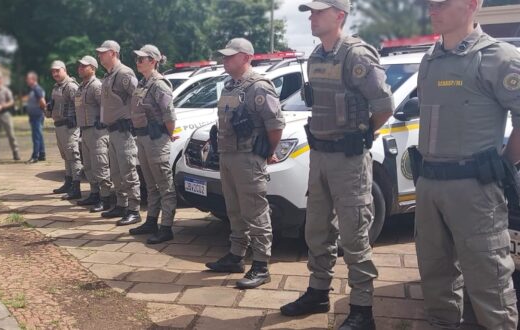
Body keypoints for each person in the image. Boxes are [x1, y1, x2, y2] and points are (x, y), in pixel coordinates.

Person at [280, 1, 394, 329]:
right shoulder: (315, 56)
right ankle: (318, 292)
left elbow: (384, 104)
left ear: (339, 16)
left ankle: (362, 309)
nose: (312, 18)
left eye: (318, 12)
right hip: (319, 157)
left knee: (354, 233)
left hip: (349, 159)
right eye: (310, 13)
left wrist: (362, 136)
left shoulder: (357, 55)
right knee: (316, 228)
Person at [412, 0, 520, 328]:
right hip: (430, 186)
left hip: (474, 190)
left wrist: (503, 164)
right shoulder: (429, 60)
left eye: (442, 3)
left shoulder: (498, 57)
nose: (433, 9)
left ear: (472, 4)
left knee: (490, 285)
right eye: (429, 3)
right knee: (435, 278)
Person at [203, 38, 285, 289]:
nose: (225, 60)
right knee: (234, 210)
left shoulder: (258, 87)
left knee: (255, 211)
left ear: (246, 57)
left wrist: (266, 153)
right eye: (224, 56)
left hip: (249, 158)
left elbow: (276, 126)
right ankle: (236, 256)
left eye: (230, 56)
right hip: (228, 156)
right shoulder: (229, 86)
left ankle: (261, 265)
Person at [126, 45, 178, 244]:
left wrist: (167, 135)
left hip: (156, 139)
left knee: (165, 185)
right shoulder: (143, 83)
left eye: (143, 59)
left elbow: (169, 115)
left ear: (154, 61)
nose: (138, 62)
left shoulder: (159, 84)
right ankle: (151, 221)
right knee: (150, 184)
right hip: (143, 138)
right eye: (137, 59)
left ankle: (166, 227)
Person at [96, 40, 141, 226]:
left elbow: (137, 97)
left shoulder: (124, 73)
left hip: (123, 131)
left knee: (128, 170)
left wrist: (134, 121)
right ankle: (122, 205)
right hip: (111, 130)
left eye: (103, 52)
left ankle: (134, 209)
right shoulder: (108, 75)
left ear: (113, 53)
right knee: (115, 172)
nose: (99, 56)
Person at [74, 55, 114, 212]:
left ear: (93, 68)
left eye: (84, 66)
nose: (80, 68)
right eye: (79, 66)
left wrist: (102, 120)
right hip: (84, 130)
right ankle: (94, 193)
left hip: (97, 131)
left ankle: (105, 198)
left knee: (100, 165)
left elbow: (105, 105)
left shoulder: (96, 86)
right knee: (89, 166)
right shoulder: (81, 86)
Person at [48, 60, 83, 199]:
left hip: (69, 126)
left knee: (73, 156)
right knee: (66, 156)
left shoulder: (71, 87)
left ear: (64, 70)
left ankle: (76, 186)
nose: (55, 74)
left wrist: (75, 120)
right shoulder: (56, 87)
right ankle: (68, 182)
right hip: (59, 124)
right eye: (53, 71)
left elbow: (80, 105)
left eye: (58, 70)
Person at [25, 71, 47, 164]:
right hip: (34, 116)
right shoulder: (34, 89)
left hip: (37, 116)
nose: (26, 80)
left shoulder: (37, 89)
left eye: (28, 79)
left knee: (36, 136)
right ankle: (42, 154)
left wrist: (41, 111)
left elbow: (43, 102)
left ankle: (35, 156)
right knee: (39, 135)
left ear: (33, 79)